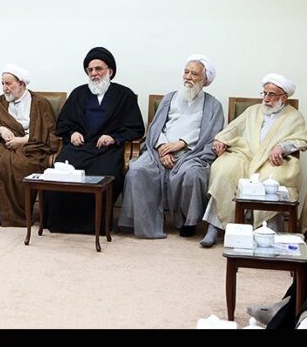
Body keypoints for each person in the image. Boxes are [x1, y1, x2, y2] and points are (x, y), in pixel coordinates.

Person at [118, 55, 224, 239]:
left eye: (194, 74)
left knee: (193, 174)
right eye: (186, 72)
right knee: (137, 170)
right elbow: (155, 127)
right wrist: (162, 148)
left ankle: (188, 222)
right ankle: (142, 221)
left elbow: (211, 136)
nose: (188, 77)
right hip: (159, 150)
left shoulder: (214, 105)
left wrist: (182, 143)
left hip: (192, 153)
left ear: (205, 79)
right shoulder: (169, 98)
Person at [43, 47, 144, 234]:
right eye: (90, 70)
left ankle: (97, 225)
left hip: (107, 149)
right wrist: (72, 133)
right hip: (79, 147)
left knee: (105, 174)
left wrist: (113, 137)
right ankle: (61, 223)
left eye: (98, 69)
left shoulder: (124, 95)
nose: (94, 73)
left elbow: (136, 127)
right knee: (62, 172)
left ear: (110, 71)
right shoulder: (78, 93)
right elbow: (63, 123)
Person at [200, 73, 307, 247]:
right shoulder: (253, 111)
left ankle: (268, 231)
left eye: (271, 94)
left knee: (272, 181)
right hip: (245, 155)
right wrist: (221, 140)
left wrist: (282, 147)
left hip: (272, 160)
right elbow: (232, 129)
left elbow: (300, 140)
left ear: (284, 97)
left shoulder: (294, 117)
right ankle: (214, 227)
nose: (266, 98)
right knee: (224, 169)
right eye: (264, 93)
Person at [0, 64, 60, 227]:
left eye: (9, 84)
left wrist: (23, 140)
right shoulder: (0, 102)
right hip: (5, 144)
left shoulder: (40, 103)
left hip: (32, 146)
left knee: (20, 164)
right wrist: (0, 129)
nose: (5, 88)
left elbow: (49, 133)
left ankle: (14, 213)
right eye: (3, 83)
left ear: (21, 84)